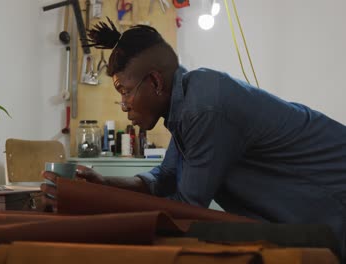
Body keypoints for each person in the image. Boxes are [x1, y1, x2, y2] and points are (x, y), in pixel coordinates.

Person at [41, 18, 346, 259]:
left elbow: (188, 207)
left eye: (124, 91)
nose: (123, 104)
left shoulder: (203, 107)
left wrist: (100, 202)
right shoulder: (186, 101)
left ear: (156, 81)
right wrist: (105, 185)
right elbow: (165, 177)